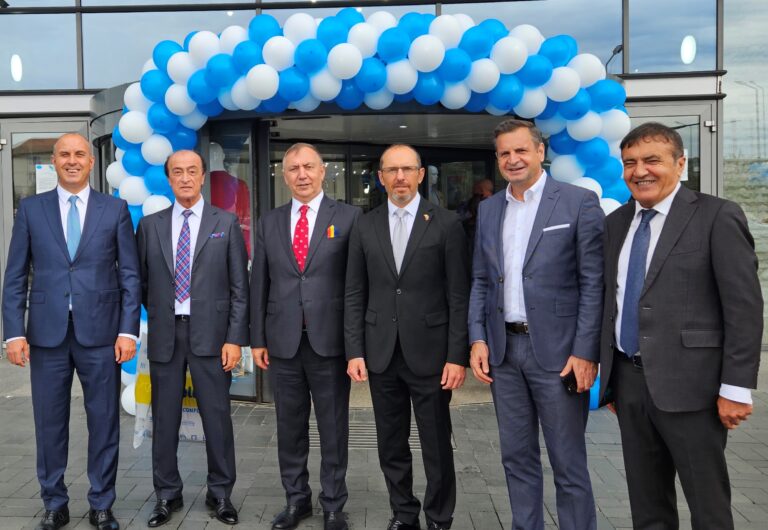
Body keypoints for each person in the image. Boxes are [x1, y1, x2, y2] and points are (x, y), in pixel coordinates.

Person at [599, 122, 763, 530]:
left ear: (680, 163)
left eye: (652, 160)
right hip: (630, 383)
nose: (640, 171)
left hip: (694, 388)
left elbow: (743, 308)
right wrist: (612, 379)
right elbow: (611, 302)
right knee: (647, 505)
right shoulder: (616, 223)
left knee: (708, 507)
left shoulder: (717, 216)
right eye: (630, 163)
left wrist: (736, 387)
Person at [468, 119, 604, 530]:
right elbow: (481, 279)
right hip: (504, 353)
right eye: (504, 153)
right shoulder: (489, 208)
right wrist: (477, 337)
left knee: (568, 462)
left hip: (559, 355)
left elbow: (593, 283)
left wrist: (585, 351)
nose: (513, 159)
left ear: (540, 152)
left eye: (521, 150)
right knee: (516, 458)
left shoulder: (578, 202)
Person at [1, 133, 140, 530]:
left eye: (80, 154)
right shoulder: (31, 209)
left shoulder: (115, 209)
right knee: (48, 424)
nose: (73, 160)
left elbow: (130, 275)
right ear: (54, 160)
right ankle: (54, 503)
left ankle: (102, 504)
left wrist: (128, 331)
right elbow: (15, 276)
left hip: (102, 335)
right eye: (65, 154)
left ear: (91, 163)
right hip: (47, 337)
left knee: (104, 421)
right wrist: (14, 334)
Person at [345, 144, 470, 530]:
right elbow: (354, 292)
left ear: (420, 174)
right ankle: (403, 514)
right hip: (381, 353)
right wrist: (354, 350)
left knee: (436, 444)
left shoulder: (446, 224)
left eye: (407, 169)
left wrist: (457, 356)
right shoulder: (364, 225)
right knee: (391, 443)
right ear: (381, 178)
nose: (400, 177)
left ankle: (439, 517)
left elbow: (458, 295)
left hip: (431, 354)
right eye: (391, 170)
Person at [250, 143, 360, 530]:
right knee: (289, 428)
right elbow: (259, 283)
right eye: (294, 168)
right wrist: (257, 339)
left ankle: (333, 504)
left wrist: (356, 346)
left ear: (323, 171)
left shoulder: (349, 217)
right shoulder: (269, 222)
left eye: (309, 167)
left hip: (329, 343)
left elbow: (356, 285)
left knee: (333, 428)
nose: (302, 174)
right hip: (282, 343)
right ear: (284, 176)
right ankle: (297, 500)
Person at [137, 150, 249, 527]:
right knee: (164, 420)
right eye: (177, 172)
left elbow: (240, 287)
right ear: (169, 179)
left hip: (213, 338)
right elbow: (142, 283)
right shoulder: (149, 226)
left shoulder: (226, 222)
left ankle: (221, 493)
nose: (185, 178)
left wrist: (234, 339)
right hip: (166, 336)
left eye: (192, 171)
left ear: (202, 177)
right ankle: (167, 493)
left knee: (217, 419)